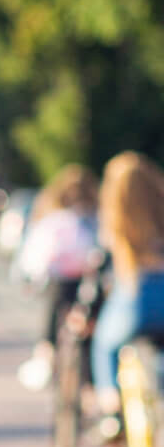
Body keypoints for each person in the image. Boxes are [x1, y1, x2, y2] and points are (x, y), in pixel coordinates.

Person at [90, 151, 164, 425]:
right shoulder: (159, 209)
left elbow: (103, 257)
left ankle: (111, 412)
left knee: (104, 346)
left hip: (136, 294)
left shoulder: (117, 216)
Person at [14, 165, 100, 391]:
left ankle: (46, 351)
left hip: (59, 281)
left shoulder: (51, 218)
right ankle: (89, 386)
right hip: (86, 280)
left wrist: (30, 278)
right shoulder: (93, 217)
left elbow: (35, 255)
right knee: (89, 326)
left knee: (53, 311)